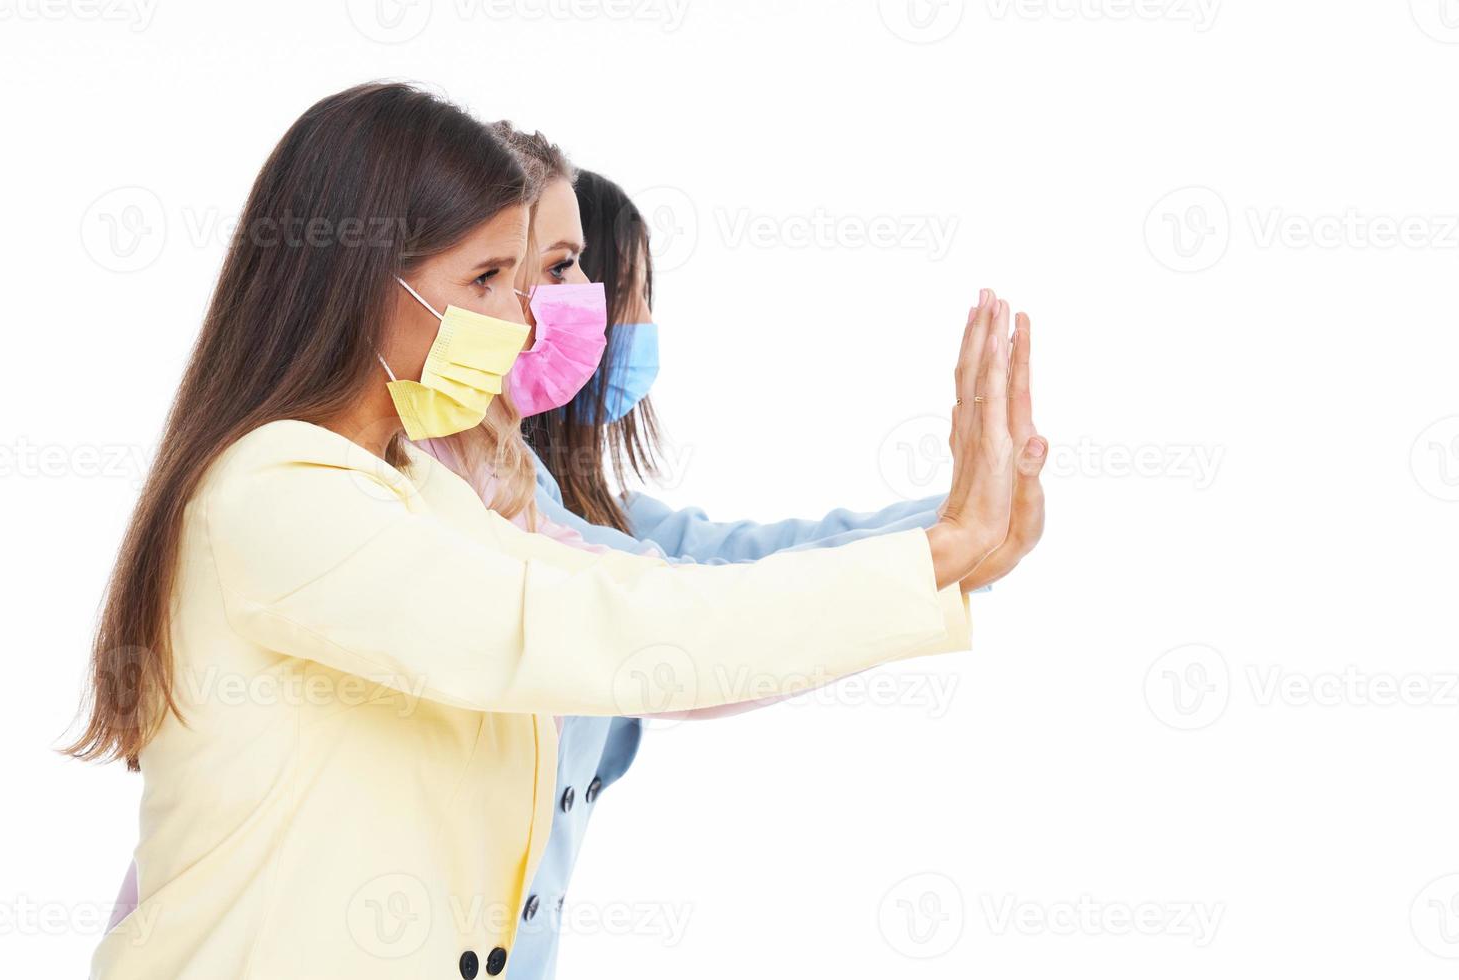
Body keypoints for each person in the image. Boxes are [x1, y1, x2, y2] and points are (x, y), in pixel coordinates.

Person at [68, 82, 1028, 979]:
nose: (525, 320)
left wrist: (953, 544)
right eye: (488, 277)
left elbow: (642, 591)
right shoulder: (278, 494)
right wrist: (939, 551)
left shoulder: (415, 490)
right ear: (361, 282)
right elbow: (592, 627)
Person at [469, 133, 1048, 980]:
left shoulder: (565, 501)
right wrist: (955, 541)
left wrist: (960, 522)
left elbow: (744, 562)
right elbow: (697, 615)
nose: (596, 311)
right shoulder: (466, 501)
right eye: (568, 271)